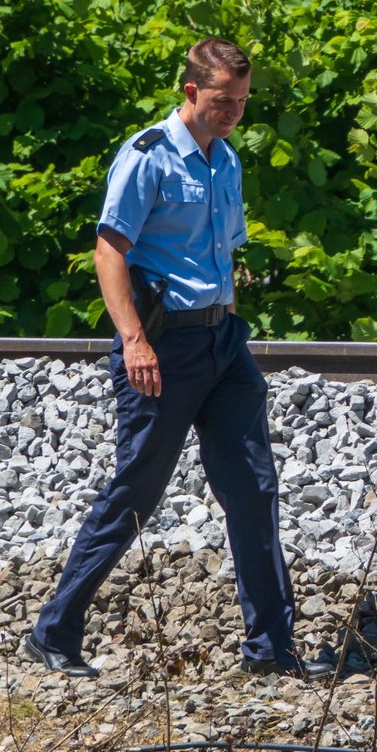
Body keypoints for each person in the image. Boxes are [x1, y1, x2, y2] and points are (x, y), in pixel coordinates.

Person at [26, 39, 328, 681]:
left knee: (254, 488)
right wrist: (134, 339)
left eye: (243, 102)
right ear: (190, 92)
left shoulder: (228, 160)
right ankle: (55, 630)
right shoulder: (147, 157)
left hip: (223, 342)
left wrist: (227, 319)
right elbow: (110, 251)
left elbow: (225, 256)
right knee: (137, 490)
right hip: (163, 349)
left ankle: (270, 648)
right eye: (223, 101)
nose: (234, 113)